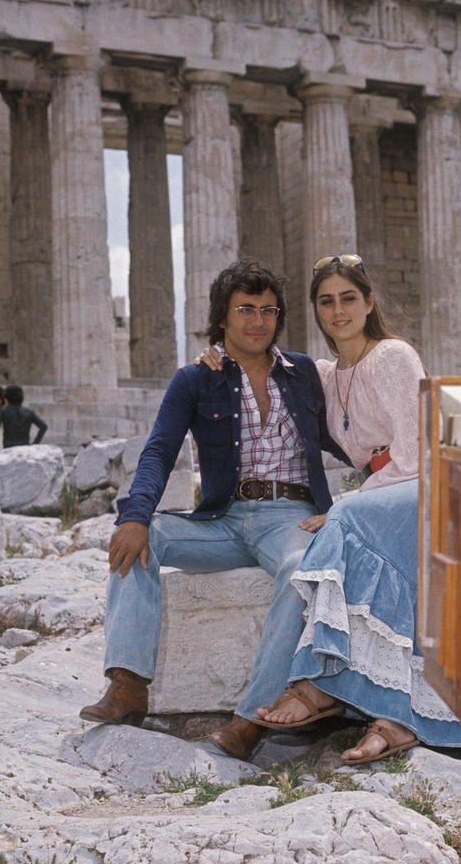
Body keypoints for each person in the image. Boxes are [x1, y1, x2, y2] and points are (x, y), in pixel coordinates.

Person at [206, 254, 461, 763]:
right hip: (385, 495)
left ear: (368, 303)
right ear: (316, 312)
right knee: (346, 529)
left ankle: (315, 688)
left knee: (342, 523)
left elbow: (415, 453)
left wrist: (349, 503)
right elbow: (259, 363)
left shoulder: (394, 356)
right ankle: (389, 714)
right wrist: (213, 357)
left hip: (432, 483)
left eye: (348, 298)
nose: (338, 310)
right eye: (326, 302)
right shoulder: (321, 374)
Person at [78, 260, 347, 728]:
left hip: (291, 518)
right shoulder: (196, 379)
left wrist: (363, 500)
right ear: (222, 317)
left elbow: (349, 438)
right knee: (142, 539)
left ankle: (251, 717)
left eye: (268, 310)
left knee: (302, 568)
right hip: (223, 519)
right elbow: (160, 450)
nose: (258, 321)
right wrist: (135, 515)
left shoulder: (304, 373)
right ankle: (127, 685)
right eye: (245, 309)